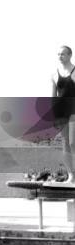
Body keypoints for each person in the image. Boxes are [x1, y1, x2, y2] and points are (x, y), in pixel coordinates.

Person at [52, 45, 75, 183]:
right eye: (58, 54)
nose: (60, 56)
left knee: (73, 143)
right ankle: (71, 176)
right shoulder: (55, 74)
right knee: (65, 143)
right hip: (61, 112)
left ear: (70, 55)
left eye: (63, 54)